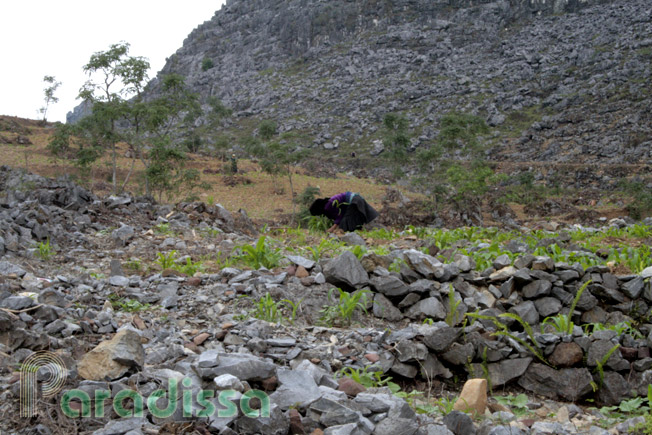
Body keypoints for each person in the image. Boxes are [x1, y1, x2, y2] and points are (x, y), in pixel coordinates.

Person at [309, 191, 379, 232]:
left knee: (345, 224)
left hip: (354, 201)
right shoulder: (329, 202)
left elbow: (340, 216)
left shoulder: (328, 206)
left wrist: (332, 229)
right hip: (356, 198)